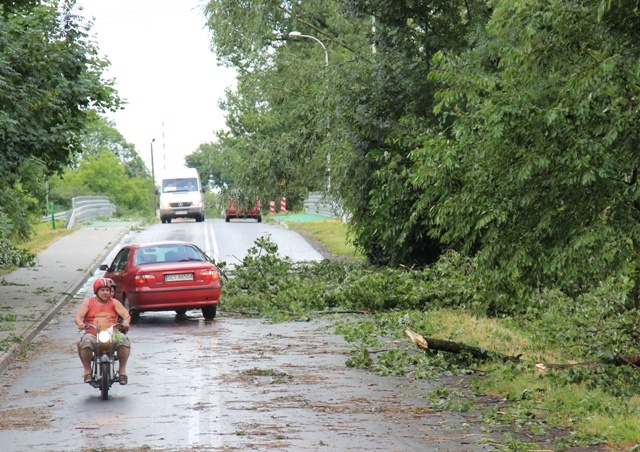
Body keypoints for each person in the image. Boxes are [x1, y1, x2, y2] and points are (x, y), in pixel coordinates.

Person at [75, 278, 131, 385]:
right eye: (102, 290)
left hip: (112, 333)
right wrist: (80, 323)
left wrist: (126, 321)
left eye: (107, 290)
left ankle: (122, 370)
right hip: (92, 333)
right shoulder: (88, 302)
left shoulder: (114, 302)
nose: (105, 292)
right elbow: (78, 316)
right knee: (85, 342)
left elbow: (126, 314)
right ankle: (87, 371)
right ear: (96, 291)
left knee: (124, 340)